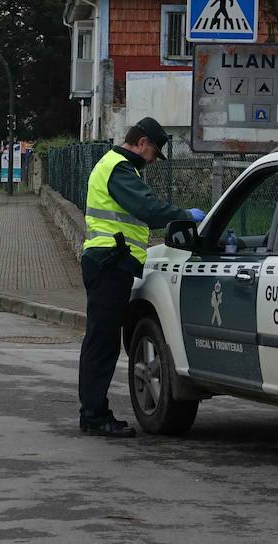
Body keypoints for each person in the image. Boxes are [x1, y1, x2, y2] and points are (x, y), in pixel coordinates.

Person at [78, 117, 205, 437]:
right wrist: (184, 216)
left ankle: (92, 412)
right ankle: (94, 415)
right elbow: (148, 208)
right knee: (102, 342)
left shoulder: (117, 166)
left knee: (100, 339)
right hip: (110, 263)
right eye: (154, 152)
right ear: (143, 142)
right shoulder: (119, 167)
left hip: (107, 262)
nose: (152, 161)